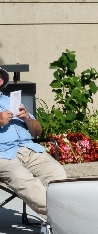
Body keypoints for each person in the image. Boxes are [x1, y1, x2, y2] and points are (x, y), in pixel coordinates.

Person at [0, 71, 66, 219]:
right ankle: (61, 216)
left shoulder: (13, 101)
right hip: (3, 155)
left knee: (56, 173)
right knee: (24, 180)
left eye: (1, 76)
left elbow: (37, 131)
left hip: (29, 150)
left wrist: (28, 119)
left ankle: (62, 214)